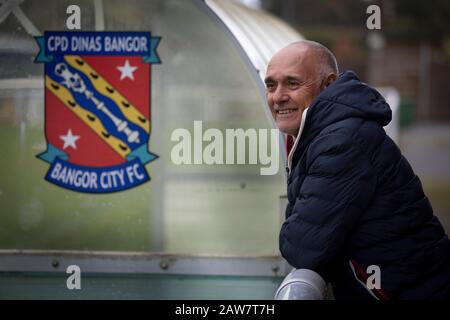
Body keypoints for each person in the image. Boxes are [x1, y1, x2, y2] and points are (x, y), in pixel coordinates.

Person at [265, 40, 450, 300]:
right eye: (271, 84)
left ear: (328, 85)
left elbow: (301, 246)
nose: (278, 95)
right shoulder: (323, 132)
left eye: (292, 83)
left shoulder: (342, 141)